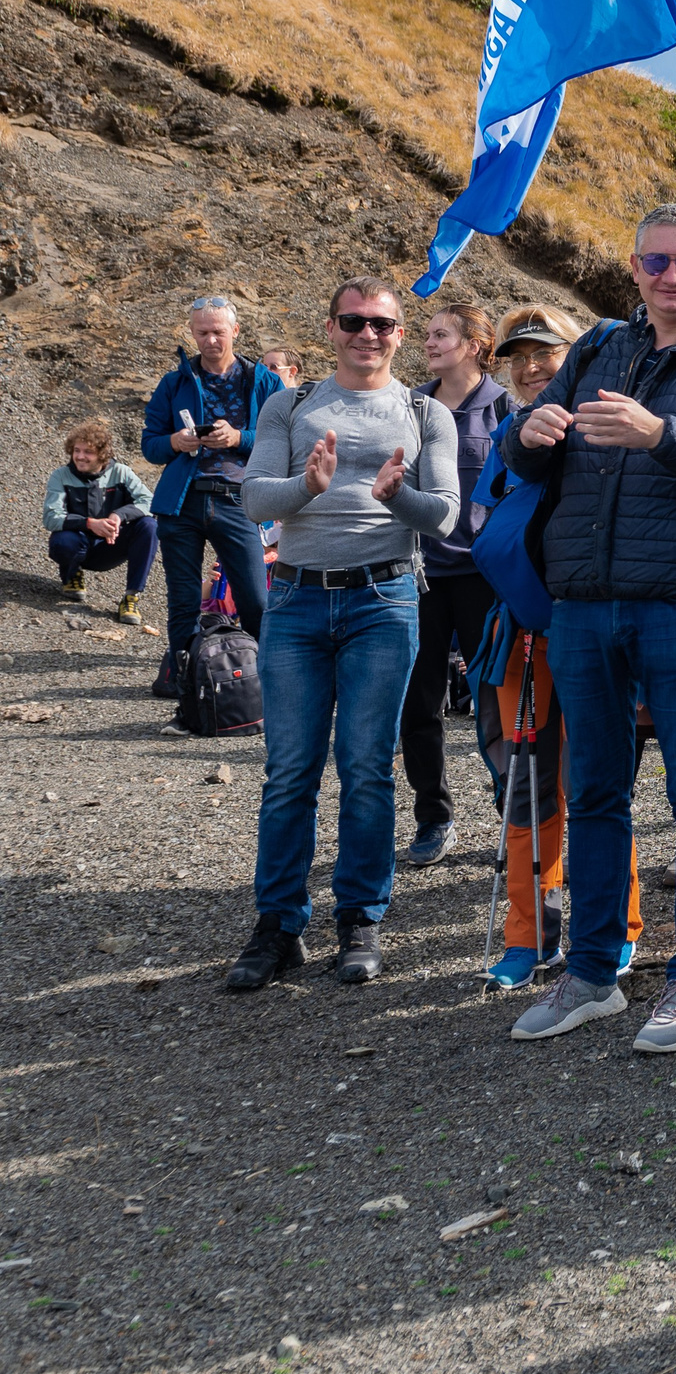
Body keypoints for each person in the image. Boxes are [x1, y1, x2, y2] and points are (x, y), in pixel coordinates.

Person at [498, 202, 676, 1051]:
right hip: (583, 601)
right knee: (593, 790)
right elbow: (521, 457)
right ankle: (593, 974)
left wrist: (661, 433)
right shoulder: (597, 347)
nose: (671, 276)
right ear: (634, 267)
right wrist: (529, 432)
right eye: (656, 261)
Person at [222, 278, 461, 991]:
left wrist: (397, 495)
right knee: (290, 770)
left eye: (382, 324)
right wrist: (308, 487)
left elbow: (445, 513)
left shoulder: (426, 412)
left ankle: (360, 917)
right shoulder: (289, 404)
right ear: (330, 329)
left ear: (399, 333)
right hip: (296, 601)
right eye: (353, 322)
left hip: (383, 601)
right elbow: (253, 498)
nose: (368, 334)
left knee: (365, 766)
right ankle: (278, 926)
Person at [476, 306, 646, 990]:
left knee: (598, 783)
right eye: (517, 357)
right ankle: (529, 934)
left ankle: (618, 927)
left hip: (594, 625)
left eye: (545, 353)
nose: (530, 367)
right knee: (527, 786)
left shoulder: (612, 424)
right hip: (520, 634)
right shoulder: (509, 433)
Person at [398, 302, 511, 867]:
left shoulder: (505, 406)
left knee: (497, 702)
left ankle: (514, 816)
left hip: (482, 578)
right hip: (418, 575)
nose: (429, 343)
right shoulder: (410, 404)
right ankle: (433, 817)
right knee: (417, 704)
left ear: (475, 345)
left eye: (441, 334)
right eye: (426, 334)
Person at [141, 295, 284, 661]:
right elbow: (150, 445)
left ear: (235, 331)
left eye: (218, 331)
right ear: (192, 332)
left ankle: (263, 679)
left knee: (255, 599)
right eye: (202, 332)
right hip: (182, 501)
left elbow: (285, 439)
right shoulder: (174, 383)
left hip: (238, 499)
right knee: (184, 600)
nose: (211, 340)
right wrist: (175, 441)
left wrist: (238, 438)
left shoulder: (265, 382)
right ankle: (185, 680)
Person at [44, 418, 156, 619]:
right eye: (76, 450)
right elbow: (51, 517)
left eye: (88, 452)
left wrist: (119, 515)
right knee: (62, 540)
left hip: (110, 545)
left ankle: (131, 597)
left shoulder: (121, 472)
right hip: (77, 543)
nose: (80, 456)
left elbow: (149, 502)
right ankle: (72, 573)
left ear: (102, 454)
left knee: (149, 526)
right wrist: (89, 523)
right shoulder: (61, 476)